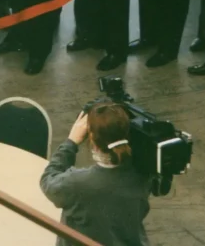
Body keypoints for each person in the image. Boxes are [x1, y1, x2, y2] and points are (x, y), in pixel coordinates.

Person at [40, 103, 152, 246]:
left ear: (91, 138)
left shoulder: (78, 184)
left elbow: (48, 181)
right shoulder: (143, 175)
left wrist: (71, 142)